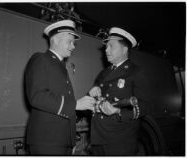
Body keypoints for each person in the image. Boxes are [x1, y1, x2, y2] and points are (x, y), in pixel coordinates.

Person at [24, 20, 96, 155]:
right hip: (47, 141)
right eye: (69, 41)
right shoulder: (41, 59)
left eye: (73, 43)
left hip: (61, 141)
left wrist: (71, 141)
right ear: (55, 40)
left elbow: (65, 106)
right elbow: (37, 96)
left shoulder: (61, 66)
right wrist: (76, 104)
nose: (73, 46)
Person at [89, 27, 150, 155]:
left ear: (125, 49)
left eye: (111, 46)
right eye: (106, 46)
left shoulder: (136, 72)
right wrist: (94, 91)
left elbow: (145, 106)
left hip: (120, 141)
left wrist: (118, 111)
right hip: (98, 137)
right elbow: (99, 98)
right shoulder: (104, 73)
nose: (106, 50)